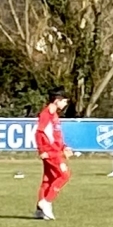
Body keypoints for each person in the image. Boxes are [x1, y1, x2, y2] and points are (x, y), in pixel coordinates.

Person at [34, 91, 70, 220]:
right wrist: (42, 150)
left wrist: (64, 147)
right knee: (64, 175)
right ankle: (46, 202)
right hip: (50, 152)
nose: (65, 104)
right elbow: (39, 132)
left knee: (48, 179)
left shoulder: (54, 115)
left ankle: (39, 211)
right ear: (57, 100)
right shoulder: (46, 114)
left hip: (55, 150)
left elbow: (56, 135)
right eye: (64, 101)